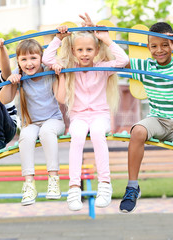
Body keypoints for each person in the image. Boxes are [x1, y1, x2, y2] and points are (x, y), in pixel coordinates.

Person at [118, 22, 173, 230]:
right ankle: (132, 187)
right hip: (156, 120)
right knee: (138, 130)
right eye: (154, 46)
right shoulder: (146, 66)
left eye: (165, 45)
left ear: (172, 43)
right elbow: (119, 61)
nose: (159, 50)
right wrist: (101, 37)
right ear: (148, 47)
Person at [42, 22, 129, 211]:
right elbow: (47, 58)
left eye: (89, 49)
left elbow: (123, 60)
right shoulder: (69, 68)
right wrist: (58, 39)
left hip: (100, 116)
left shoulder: (103, 68)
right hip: (79, 117)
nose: (84, 53)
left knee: (98, 134)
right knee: (77, 137)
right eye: (80, 49)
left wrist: (106, 39)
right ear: (73, 51)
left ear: (96, 50)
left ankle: (105, 184)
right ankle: (74, 188)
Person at [0, 39, 65, 205]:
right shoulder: (19, 75)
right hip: (31, 124)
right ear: (19, 62)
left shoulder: (48, 72)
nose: (29, 63)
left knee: (46, 132)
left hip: (54, 121)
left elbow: (61, 99)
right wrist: (10, 82)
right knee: (25, 137)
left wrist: (60, 75)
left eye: (33, 58)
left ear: (41, 58)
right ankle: (29, 184)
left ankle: (53, 179)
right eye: (24, 59)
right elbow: (4, 99)